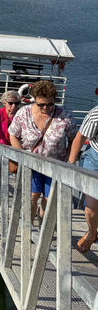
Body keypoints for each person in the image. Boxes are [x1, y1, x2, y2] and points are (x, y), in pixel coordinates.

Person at [9, 80, 76, 226]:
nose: (46, 107)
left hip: (55, 163)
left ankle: (42, 221)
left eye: (50, 104)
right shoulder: (24, 113)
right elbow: (13, 134)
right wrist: (20, 154)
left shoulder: (65, 117)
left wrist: (68, 160)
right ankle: (28, 226)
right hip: (30, 162)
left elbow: (73, 139)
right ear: (35, 99)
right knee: (33, 195)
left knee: (49, 197)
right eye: (41, 104)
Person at [68, 104, 98, 252]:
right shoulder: (95, 114)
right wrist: (71, 163)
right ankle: (92, 233)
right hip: (95, 159)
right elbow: (80, 137)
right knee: (91, 206)